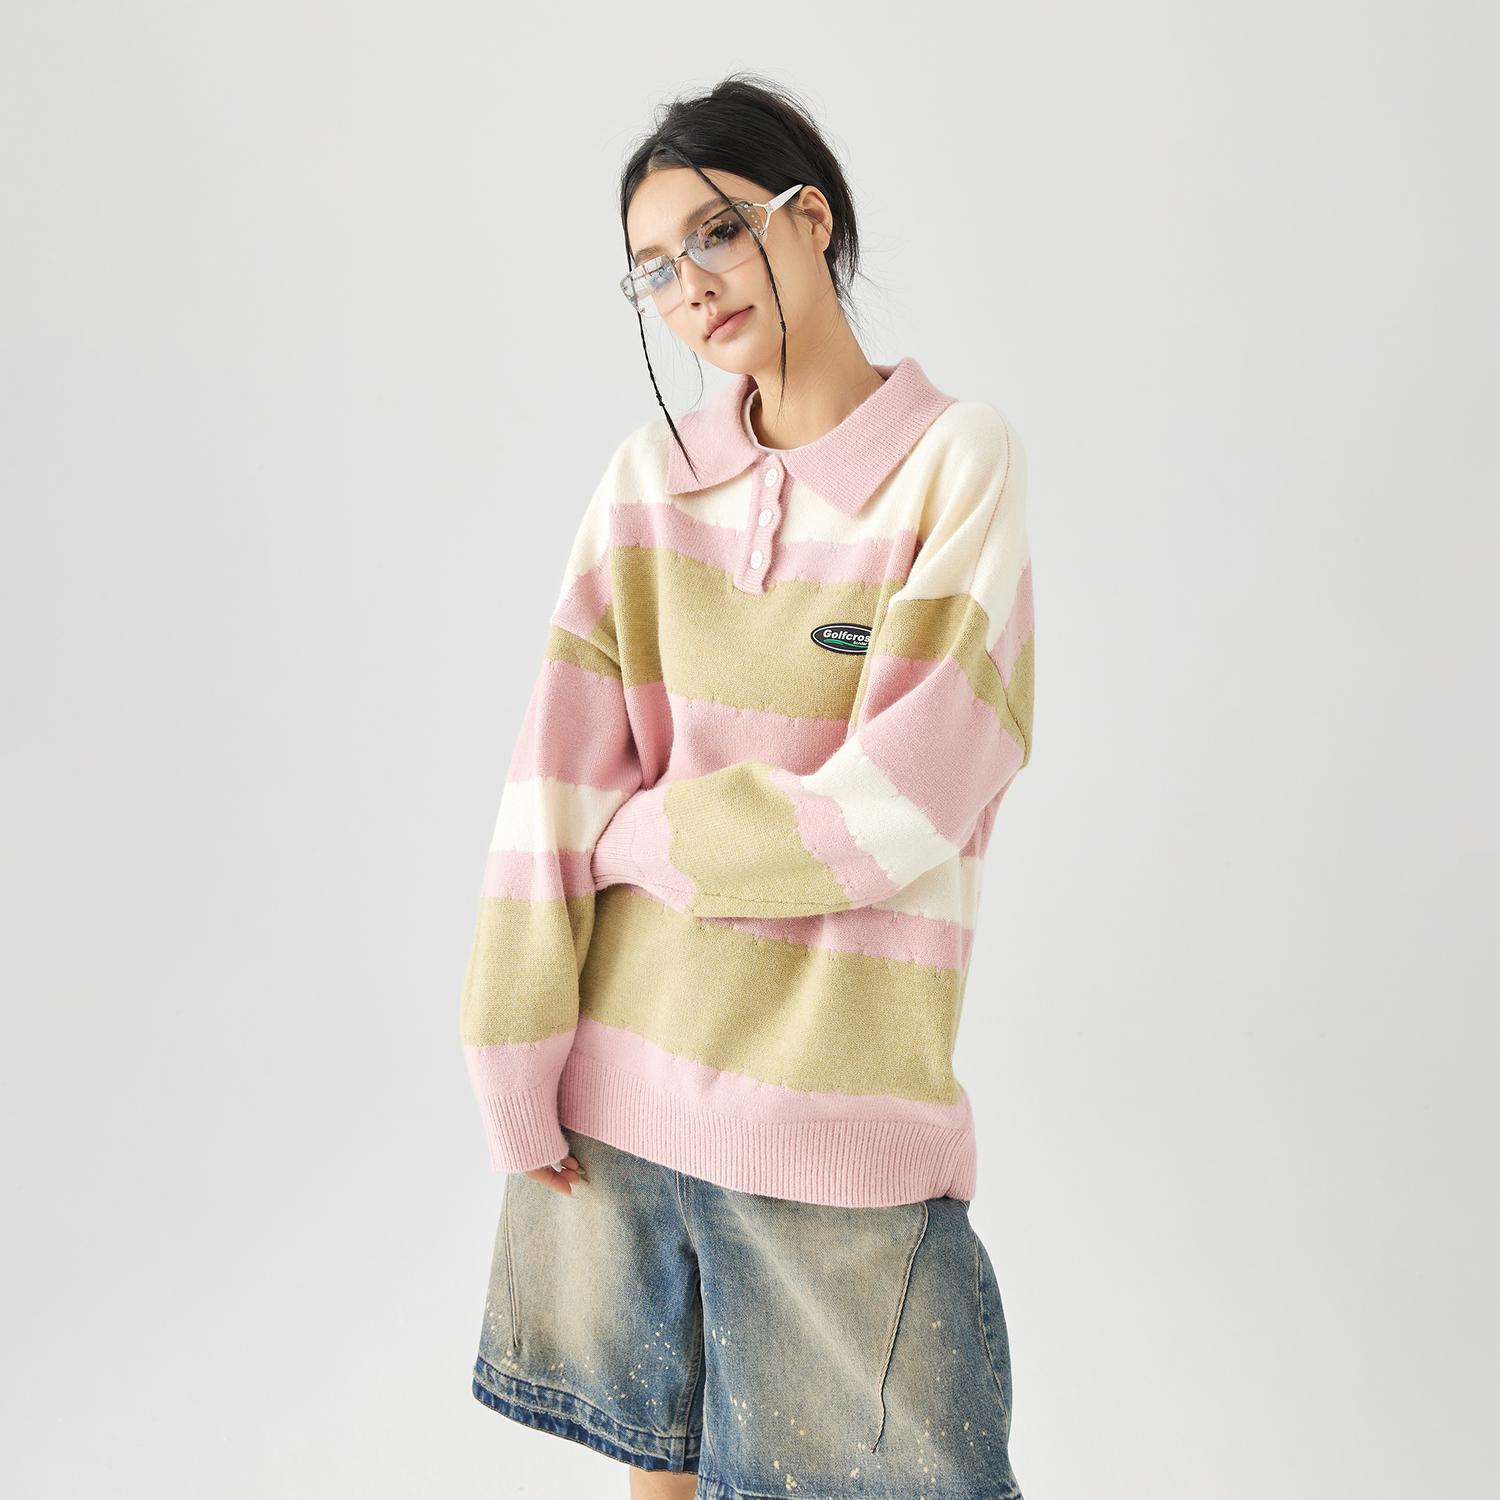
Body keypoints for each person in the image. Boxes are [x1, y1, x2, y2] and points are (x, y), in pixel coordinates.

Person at [462, 74, 1034, 1500]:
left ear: (809, 220)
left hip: (838, 1122)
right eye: (653, 268)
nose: (690, 288)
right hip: (621, 1088)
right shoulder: (648, 483)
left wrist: (645, 835)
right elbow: (548, 788)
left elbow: (905, 804)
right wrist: (509, 1050)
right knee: (654, 1481)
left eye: (716, 234)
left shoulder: (953, 465)